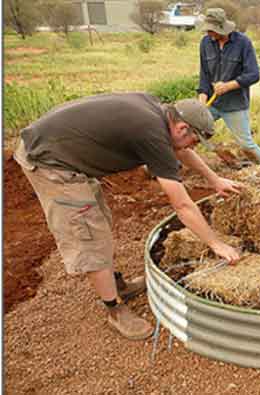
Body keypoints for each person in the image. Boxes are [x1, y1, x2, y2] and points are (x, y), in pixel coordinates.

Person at [14, 93, 242, 340]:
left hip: (65, 151)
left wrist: (214, 180)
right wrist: (215, 243)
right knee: (89, 235)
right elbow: (183, 205)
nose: (192, 147)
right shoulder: (151, 133)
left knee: (100, 220)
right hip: (51, 162)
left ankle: (116, 284)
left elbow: (181, 150)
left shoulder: (161, 113)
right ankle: (115, 309)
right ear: (182, 127)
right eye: (194, 141)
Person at [197, 8, 260, 165]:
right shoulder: (205, 43)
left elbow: (253, 74)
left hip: (234, 104)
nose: (209, 34)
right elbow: (204, 75)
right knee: (192, 132)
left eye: (212, 30)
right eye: (207, 30)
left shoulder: (243, 43)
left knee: (246, 144)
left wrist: (228, 86)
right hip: (212, 103)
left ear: (222, 28)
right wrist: (201, 100)